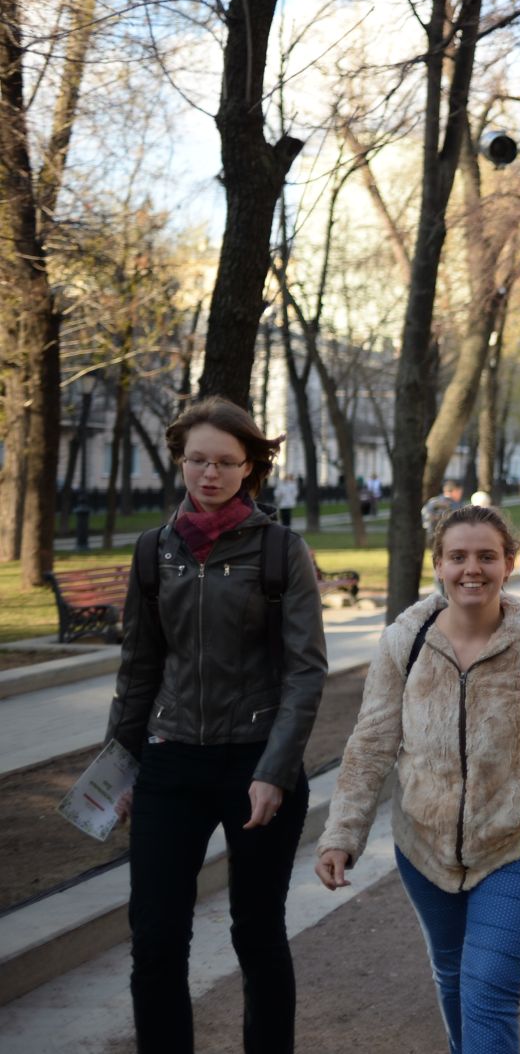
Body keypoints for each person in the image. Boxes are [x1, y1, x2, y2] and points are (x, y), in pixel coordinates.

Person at [316, 506, 520, 1053]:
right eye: (457, 557)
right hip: (423, 848)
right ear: (439, 564)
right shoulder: (405, 640)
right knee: (452, 973)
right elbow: (371, 743)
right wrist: (342, 833)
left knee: (489, 987)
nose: (470, 569)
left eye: (485, 556)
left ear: (509, 563)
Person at [105, 397, 328, 1053]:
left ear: (250, 466)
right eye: (197, 459)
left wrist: (273, 772)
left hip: (257, 764)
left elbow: (306, 672)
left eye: (226, 462)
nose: (209, 474)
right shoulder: (154, 553)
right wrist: (119, 768)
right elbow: (138, 669)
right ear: (181, 459)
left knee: (256, 934)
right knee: (156, 937)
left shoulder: (281, 551)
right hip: (171, 763)